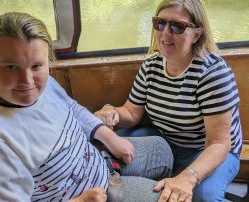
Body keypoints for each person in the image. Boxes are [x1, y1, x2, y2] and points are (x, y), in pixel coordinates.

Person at [0, 12, 173, 202]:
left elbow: (71, 108)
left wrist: (108, 136)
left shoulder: (44, 85)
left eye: (36, 66)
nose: (27, 81)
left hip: (97, 158)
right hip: (88, 194)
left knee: (163, 151)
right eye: (11, 67)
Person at [95, 0, 242, 201]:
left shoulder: (212, 73)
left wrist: (188, 178)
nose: (165, 33)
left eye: (177, 26)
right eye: (160, 23)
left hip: (206, 149)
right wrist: (110, 111)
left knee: (203, 197)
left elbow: (219, 143)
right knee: (107, 146)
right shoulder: (151, 66)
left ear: (196, 34)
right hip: (164, 139)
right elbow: (131, 113)